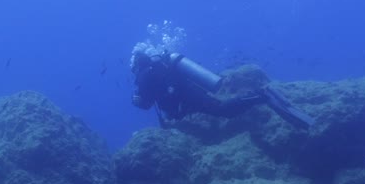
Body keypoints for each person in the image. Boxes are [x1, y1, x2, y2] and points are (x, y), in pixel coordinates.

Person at [129, 48, 314, 129]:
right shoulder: (157, 69)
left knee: (223, 110)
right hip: (188, 95)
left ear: (137, 64)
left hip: (188, 96)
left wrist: (135, 101)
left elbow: (146, 103)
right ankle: (261, 96)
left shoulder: (144, 75)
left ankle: (262, 95)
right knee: (222, 110)